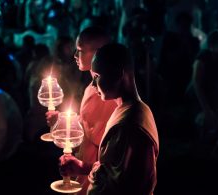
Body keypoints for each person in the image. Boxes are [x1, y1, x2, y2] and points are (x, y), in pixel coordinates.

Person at [59, 43, 159, 194]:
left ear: (119, 74)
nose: (93, 84)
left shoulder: (130, 123)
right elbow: (112, 169)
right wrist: (83, 167)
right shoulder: (127, 110)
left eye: (97, 77)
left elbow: (129, 186)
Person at [46, 26, 117, 194]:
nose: (75, 56)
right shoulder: (91, 87)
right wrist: (62, 123)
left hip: (101, 182)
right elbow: (87, 124)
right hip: (86, 173)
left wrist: (84, 168)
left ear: (98, 53)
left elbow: (115, 157)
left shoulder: (110, 96)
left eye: (80, 51)